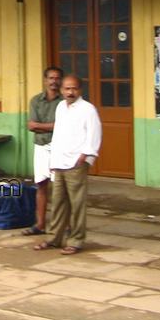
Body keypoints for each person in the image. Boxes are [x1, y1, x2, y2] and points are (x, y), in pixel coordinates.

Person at [34, 75, 102, 255]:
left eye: (74, 89)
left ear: (80, 90)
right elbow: (58, 135)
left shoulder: (88, 109)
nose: (70, 92)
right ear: (62, 90)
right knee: (58, 203)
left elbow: (94, 134)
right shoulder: (60, 108)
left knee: (77, 204)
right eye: (67, 89)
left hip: (76, 162)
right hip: (60, 161)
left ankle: (76, 240)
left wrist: (85, 156)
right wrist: (53, 161)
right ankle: (53, 238)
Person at [22, 66, 64, 236]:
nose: (54, 81)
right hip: (40, 146)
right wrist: (51, 127)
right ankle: (40, 224)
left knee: (60, 187)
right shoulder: (35, 101)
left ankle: (60, 224)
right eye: (51, 78)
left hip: (59, 146)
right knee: (41, 184)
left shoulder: (64, 101)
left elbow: (62, 127)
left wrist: (42, 126)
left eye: (57, 78)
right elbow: (31, 126)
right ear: (45, 80)